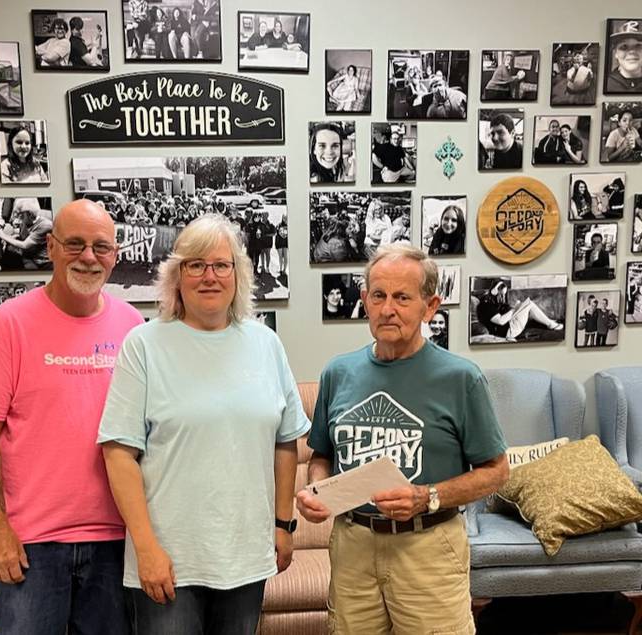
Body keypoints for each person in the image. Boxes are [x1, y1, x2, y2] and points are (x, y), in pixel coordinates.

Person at [99, 214, 309, 633]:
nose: (209, 276)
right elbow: (118, 451)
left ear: (238, 274)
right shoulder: (145, 345)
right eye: (196, 265)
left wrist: (283, 525)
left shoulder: (265, 343)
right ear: (177, 276)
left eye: (221, 265)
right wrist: (146, 549)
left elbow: (286, 442)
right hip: (171, 559)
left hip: (246, 556)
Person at [0, 200, 144, 634]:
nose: (88, 257)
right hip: (30, 547)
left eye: (101, 246)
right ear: (52, 247)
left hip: (115, 543)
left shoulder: (133, 326)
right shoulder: (9, 324)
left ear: (115, 255)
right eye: (74, 244)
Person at [297, 244, 509, 635]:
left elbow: (496, 472)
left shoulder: (461, 379)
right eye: (378, 296)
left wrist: (426, 496)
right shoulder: (338, 373)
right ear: (364, 300)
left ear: (430, 307)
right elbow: (321, 455)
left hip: (427, 547)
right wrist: (317, 489)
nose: (387, 309)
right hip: (353, 548)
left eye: (402, 297)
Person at [475, 279, 564, 342]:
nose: (502, 297)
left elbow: (505, 313)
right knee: (529, 304)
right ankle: (551, 324)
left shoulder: (494, 303)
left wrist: (516, 307)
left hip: (510, 325)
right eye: (501, 295)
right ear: (494, 292)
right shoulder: (486, 305)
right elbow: (501, 321)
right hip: (508, 332)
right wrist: (513, 309)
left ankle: (549, 322)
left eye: (504, 295)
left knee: (525, 304)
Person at [0, 198, 53, 270]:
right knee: (7, 252)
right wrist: (12, 236)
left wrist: (2, 235)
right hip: (29, 255)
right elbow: (24, 234)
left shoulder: (45, 226)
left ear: (29, 214)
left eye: (21, 215)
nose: (19, 218)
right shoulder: (27, 221)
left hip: (40, 263)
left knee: (9, 260)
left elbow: (25, 245)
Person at [606, 20, 642, 92]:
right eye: (624, 47)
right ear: (616, 53)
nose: (632, 52)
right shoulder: (608, 84)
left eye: (638, 45)